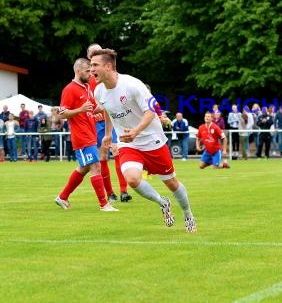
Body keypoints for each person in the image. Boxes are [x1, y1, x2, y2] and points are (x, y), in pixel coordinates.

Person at [90, 48, 197, 232]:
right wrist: (108, 134)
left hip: (152, 140)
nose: (91, 70)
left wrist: (136, 131)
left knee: (171, 182)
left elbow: (151, 111)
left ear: (108, 66)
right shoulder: (99, 91)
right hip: (128, 143)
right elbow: (108, 109)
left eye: (95, 65)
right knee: (132, 179)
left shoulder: (132, 85)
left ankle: (188, 214)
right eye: (90, 65)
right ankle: (162, 202)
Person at [54, 58, 118, 212]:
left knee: (84, 168)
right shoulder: (69, 89)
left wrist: (104, 107)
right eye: (87, 71)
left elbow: (92, 109)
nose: (90, 74)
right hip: (81, 136)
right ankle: (104, 204)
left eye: (91, 70)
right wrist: (80, 110)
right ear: (78, 71)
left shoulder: (87, 87)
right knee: (96, 166)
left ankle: (62, 197)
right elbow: (62, 114)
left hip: (91, 133)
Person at [87, 43, 131, 203]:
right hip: (96, 123)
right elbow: (86, 104)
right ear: (88, 57)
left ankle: (124, 190)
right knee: (103, 156)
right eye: (93, 54)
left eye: (98, 52)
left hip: (111, 120)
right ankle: (110, 192)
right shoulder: (88, 79)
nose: (95, 55)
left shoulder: (109, 75)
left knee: (117, 150)